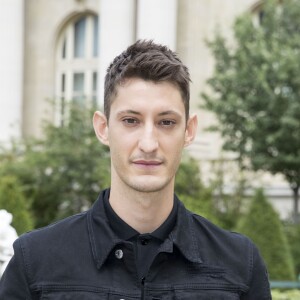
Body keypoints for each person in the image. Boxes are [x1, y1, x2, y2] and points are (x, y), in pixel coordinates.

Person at [0, 40, 271, 299]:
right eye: (131, 120)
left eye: (166, 122)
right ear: (103, 128)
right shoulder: (34, 261)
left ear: (189, 131)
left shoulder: (240, 265)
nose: (149, 144)